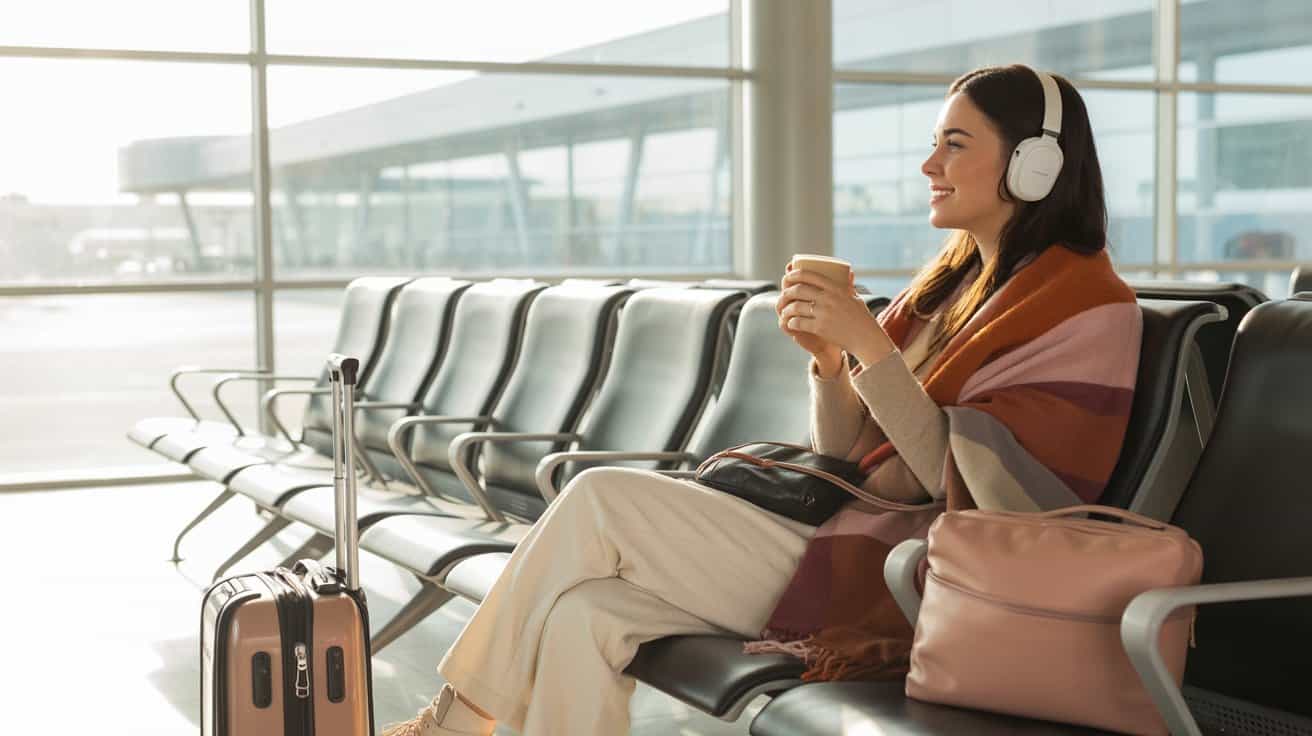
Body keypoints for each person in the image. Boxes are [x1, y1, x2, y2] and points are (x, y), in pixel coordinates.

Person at [382, 64, 1143, 736]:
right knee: (587, 614)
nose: (928, 164)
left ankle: (452, 725)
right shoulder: (945, 289)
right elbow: (845, 458)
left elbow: (999, 501)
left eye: (955, 144)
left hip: (918, 573)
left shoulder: (1086, 308)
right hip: (853, 537)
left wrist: (873, 350)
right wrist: (831, 365)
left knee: (598, 497)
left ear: (1034, 164)